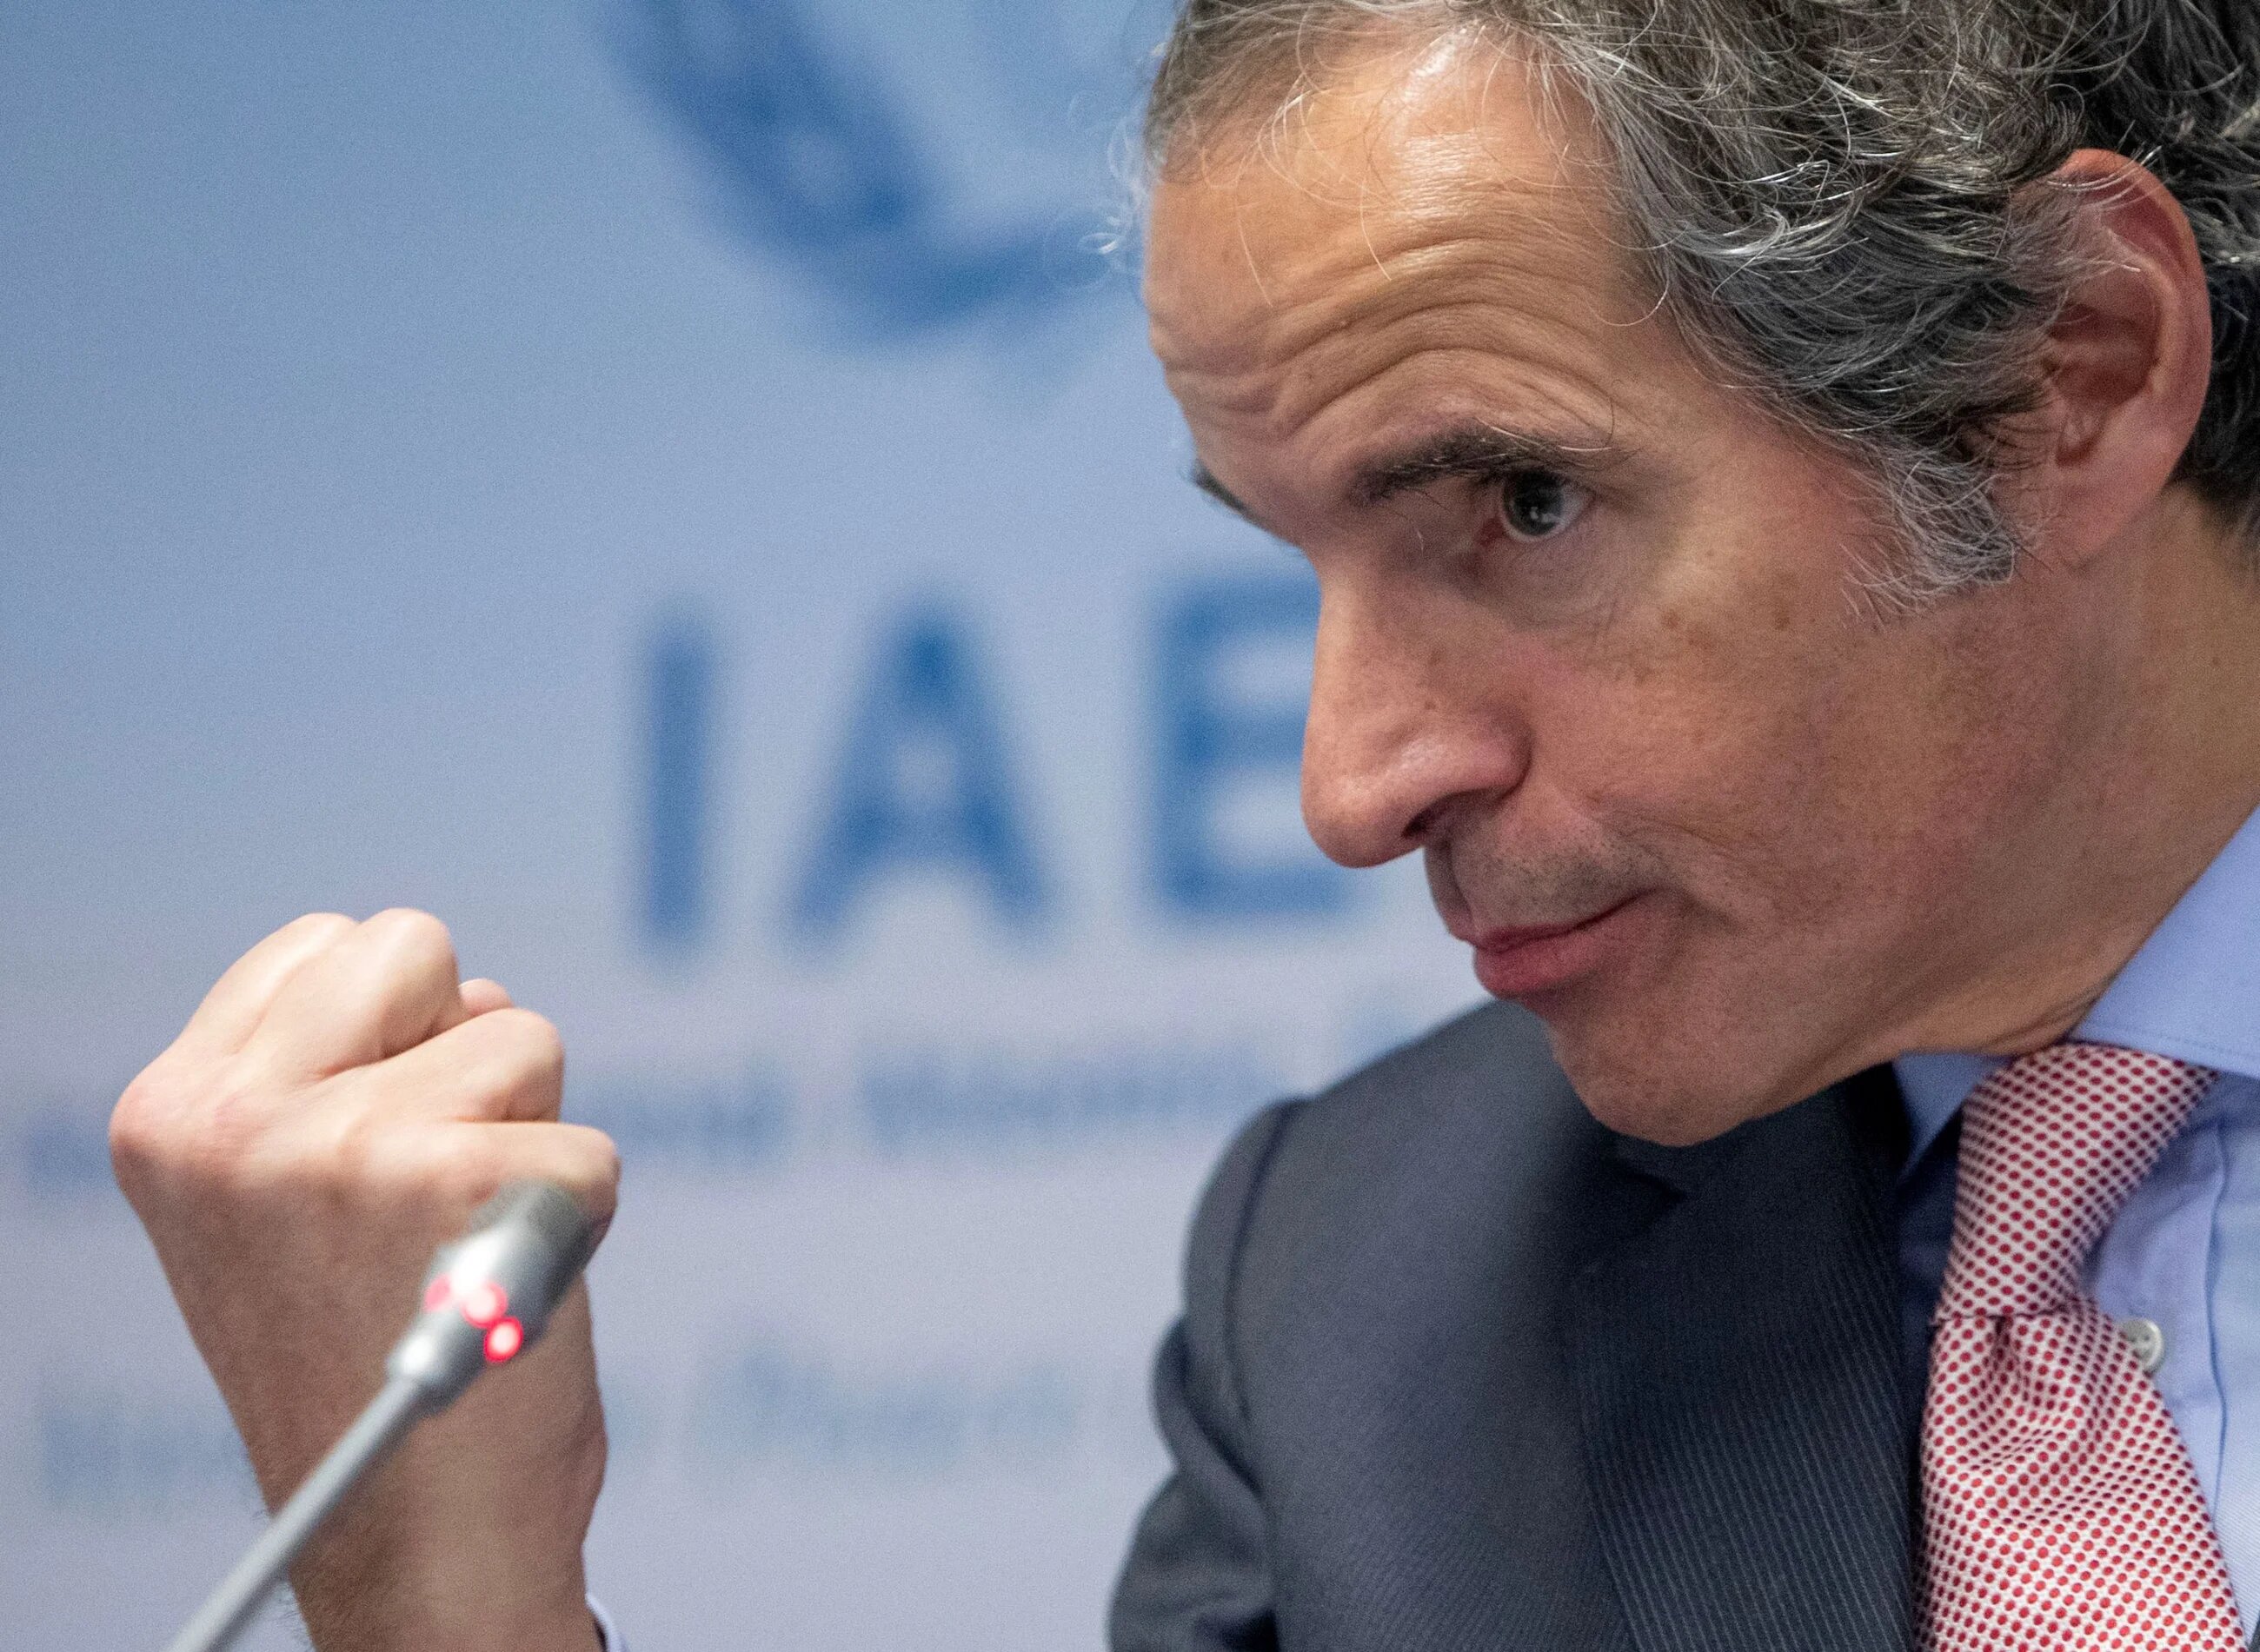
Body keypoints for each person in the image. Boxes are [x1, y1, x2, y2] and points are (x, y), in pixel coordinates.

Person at [108, 0, 2260, 1646]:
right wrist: (440, 1608)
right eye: (1289, 561)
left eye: (1519, 507)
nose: (1347, 789)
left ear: (2063, 373)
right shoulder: (1367, 1309)